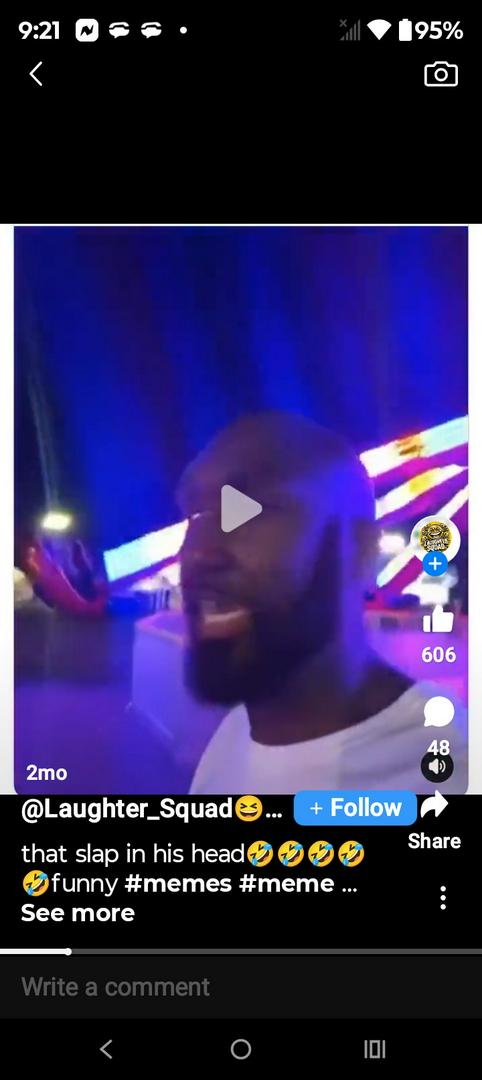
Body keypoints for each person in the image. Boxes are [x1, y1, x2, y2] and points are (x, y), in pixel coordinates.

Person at [177, 411, 467, 794]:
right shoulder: (238, 728)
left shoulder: (452, 773)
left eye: (248, 510)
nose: (197, 553)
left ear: (358, 550)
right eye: (196, 514)